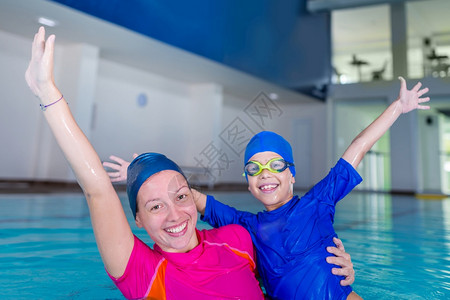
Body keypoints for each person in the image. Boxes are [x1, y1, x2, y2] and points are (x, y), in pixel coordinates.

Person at [104, 75, 430, 299]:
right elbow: (193, 200)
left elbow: (356, 149)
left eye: (276, 165)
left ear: (291, 174)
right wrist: (144, 172)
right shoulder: (246, 228)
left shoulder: (317, 202)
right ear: (248, 183)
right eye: (254, 168)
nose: (265, 174)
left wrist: (397, 108)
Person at [25, 26, 267, 300]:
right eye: (155, 206)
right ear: (138, 220)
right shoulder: (145, 274)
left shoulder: (237, 240)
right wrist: (47, 93)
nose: (174, 215)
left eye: (180, 197)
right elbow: (97, 190)